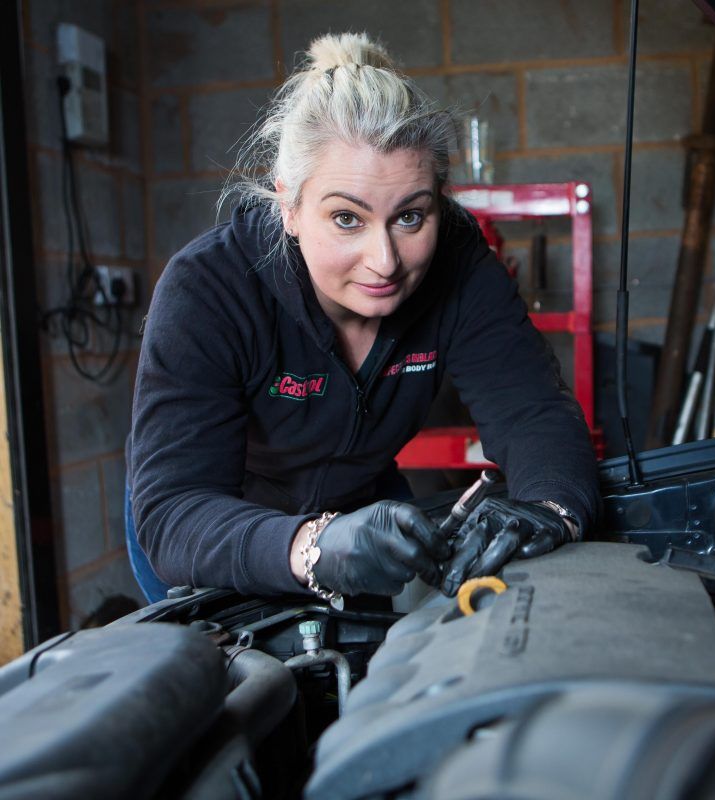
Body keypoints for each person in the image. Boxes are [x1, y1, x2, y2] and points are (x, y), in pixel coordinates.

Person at [126, 32, 600, 605]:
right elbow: (176, 510)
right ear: (290, 207)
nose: (385, 261)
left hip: (360, 511)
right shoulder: (208, 290)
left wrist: (550, 509)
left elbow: (532, 411)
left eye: (410, 217)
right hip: (216, 539)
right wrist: (313, 545)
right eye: (347, 218)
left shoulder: (459, 261)